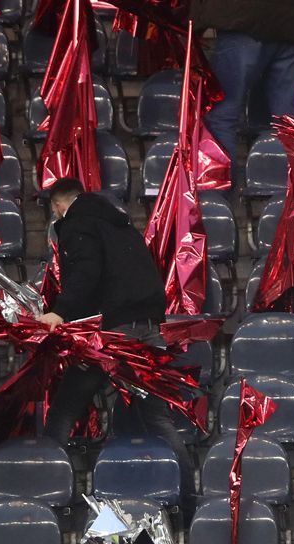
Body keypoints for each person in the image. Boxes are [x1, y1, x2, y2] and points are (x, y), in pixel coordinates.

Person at [39, 178, 194, 502]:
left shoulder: (76, 224)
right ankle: (188, 499)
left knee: (64, 407)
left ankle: (47, 489)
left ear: (58, 206)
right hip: (150, 327)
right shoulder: (120, 224)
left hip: (114, 333)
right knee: (157, 419)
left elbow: (86, 273)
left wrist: (60, 312)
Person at [192, 0, 294, 164]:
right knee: (292, 123)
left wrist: (196, 19)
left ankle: (216, 189)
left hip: (244, 18)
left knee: (222, 116)